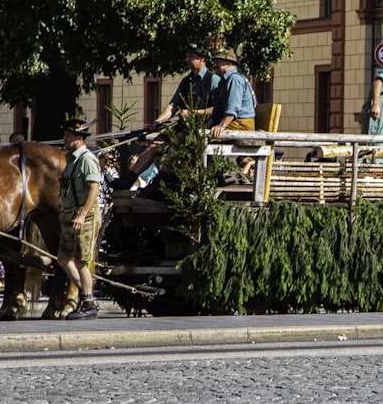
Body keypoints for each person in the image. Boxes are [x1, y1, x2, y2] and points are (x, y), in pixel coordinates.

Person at [112, 43, 220, 189]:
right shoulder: (186, 81)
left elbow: (217, 109)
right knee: (156, 142)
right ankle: (130, 178)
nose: (187, 59)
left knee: (176, 140)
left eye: (190, 56)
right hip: (184, 126)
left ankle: (162, 178)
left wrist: (192, 113)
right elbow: (173, 106)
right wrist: (158, 121)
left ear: (202, 59)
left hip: (202, 127)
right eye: (186, 56)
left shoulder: (213, 80)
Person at [57, 118, 103, 320]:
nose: (64, 138)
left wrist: (83, 215)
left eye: (68, 135)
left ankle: (88, 302)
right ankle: (87, 296)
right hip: (70, 215)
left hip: (85, 216)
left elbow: (94, 187)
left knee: (82, 261)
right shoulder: (71, 159)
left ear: (78, 137)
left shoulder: (86, 159)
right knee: (63, 259)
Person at [208, 47, 257, 139]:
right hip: (232, 124)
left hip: (240, 125)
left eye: (218, 62)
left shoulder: (234, 80)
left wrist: (222, 125)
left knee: (201, 140)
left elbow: (232, 109)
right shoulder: (224, 81)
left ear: (229, 63)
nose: (214, 65)